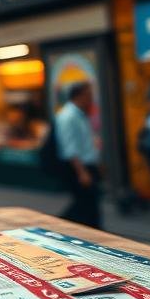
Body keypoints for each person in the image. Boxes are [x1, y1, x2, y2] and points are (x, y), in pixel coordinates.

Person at [55, 82, 102, 229]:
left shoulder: (80, 114)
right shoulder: (68, 116)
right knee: (85, 205)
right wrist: (82, 172)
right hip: (78, 167)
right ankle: (57, 226)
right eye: (89, 95)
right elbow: (70, 148)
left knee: (88, 205)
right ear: (79, 96)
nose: (91, 98)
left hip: (87, 165)